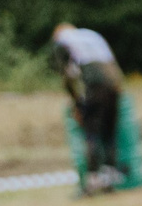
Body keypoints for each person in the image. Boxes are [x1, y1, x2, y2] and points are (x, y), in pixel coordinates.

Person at [50, 23, 128, 194]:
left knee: (91, 133)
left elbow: (68, 74)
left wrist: (76, 102)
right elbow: (113, 64)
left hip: (94, 87)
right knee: (109, 133)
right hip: (113, 86)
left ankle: (92, 181)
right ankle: (109, 180)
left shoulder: (63, 40)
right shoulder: (92, 35)